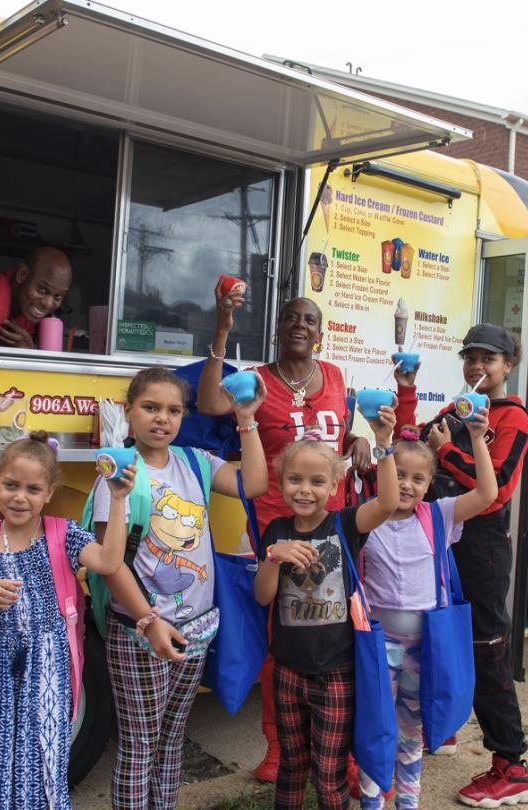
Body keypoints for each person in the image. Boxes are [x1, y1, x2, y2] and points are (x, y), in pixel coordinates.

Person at [197, 285, 372, 782]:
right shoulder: (254, 380)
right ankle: (278, 747)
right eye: (291, 318)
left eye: (309, 320)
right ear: (278, 329)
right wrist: (224, 328)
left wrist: (356, 439)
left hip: (336, 528)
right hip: (277, 527)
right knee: (283, 635)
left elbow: (337, 435)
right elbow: (211, 402)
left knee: (343, 634)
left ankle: (345, 750)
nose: (300, 325)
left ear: (319, 334)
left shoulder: (336, 376)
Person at [92, 366, 268, 810]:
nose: (162, 419)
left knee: (171, 743)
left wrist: (246, 418)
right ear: (128, 411)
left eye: (174, 410)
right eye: (150, 408)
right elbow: (111, 565)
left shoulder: (196, 462)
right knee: (139, 745)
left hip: (196, 627)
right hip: (140, 631)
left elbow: (255, 484)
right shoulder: (118, 473)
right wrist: (149, 622)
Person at [0, 430, 133, 810]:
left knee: (46, 754)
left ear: (48, 493)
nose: (20, 497)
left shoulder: (63, 534)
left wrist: (117, 501)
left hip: (49, 666)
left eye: (33, 489)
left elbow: (110, 562)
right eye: (11, 485)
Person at [394, 323, 528, 808]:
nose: (478, 367)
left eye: (488, 359)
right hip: (444, 543)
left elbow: (494, 489)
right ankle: (447, 726)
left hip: (482, 550)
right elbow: (415, 444)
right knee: (444, 635)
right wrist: (406, 392)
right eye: (471, 357)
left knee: (486, 650)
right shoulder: (460, 405)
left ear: (507, 366)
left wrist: (446, 449)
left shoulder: (514, 418)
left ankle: (511, 765)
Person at [254, 406, 398, 810]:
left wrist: (384, 445)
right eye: (295, 479)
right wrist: (273, 557)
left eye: (317, 481)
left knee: (329, 770)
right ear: (280, 483)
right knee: (291, 766)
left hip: (336, 671)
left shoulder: (346, 524)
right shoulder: (276, 532)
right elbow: (263, 597)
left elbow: (386, 503)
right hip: (287, 670)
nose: (305, 489)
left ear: (335, 484)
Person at [358, 415, 499, 810]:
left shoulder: (439, 515)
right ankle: (372, 802)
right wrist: (378, 440)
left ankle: (407, 802)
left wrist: (476, 437)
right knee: (375, 728)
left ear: (428, 484)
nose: (405, 484)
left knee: (410, 731)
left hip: (426, 647)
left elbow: (487, 493)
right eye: (398, 473)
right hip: (377, 645)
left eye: (417, 479)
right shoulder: (367, 518)